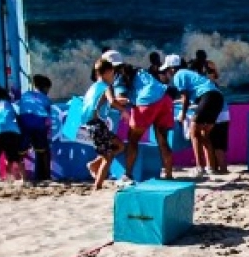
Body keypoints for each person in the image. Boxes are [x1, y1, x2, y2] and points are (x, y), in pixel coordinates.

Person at [104, 50, 177, 182]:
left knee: (133, 139)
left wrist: (110, 102)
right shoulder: (137, 70)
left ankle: (128, 175)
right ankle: (169, 175)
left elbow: (122, 99)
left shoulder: (118, 76)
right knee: (163, 140)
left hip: (146, 102)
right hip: (165, 98)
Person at [158, 53, 224, 178]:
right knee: (204, 134)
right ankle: (211, 167)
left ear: (171, 69)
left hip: (207, 97)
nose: (167, 73)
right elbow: (192, 96)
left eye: (167, 70)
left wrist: (182, 115)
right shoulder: (189, 73)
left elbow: (186, 98)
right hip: (218, 98)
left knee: (194, 133)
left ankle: (199, 168)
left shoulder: (178, 75)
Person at [82, 59, 125, 193]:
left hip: (90, 124)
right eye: (113, 73)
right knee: (108, 156)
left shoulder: (93, 87)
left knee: (119, 145)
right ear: (108, 72)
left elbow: (101, 101)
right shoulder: (106, 86)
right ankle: (97, 185)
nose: (113, 76)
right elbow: (111, 101)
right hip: (97, 125)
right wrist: (124, 111)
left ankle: (94, 164)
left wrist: (120, 101)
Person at [19, 74, 54, 182]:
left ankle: (21, 175)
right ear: (46, 88)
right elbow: (48, 117)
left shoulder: (25, 95)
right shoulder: (46, 99)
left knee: (21, 151)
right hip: (39, 123)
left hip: (24, 123)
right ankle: (46, 176)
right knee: (43, 151)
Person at [209, 106, 230, 174]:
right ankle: (222, 167)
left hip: (216, 117)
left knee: (216, 144)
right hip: (224, 116)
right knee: (220, 144)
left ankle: (222, 167)